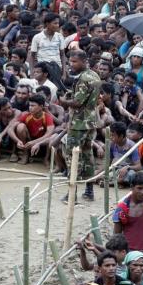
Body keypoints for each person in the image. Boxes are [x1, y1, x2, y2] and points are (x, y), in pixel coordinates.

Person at [59, 50, 101, 202]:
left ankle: (72, 194)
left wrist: (64, 102)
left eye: (74, 61)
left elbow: (77, 103)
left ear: (84, 61)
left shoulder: (83, 79)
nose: (71, 64)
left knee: (73, 156)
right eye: (70, 61)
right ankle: (89, 191)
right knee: (88, 155)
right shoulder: (94, 75)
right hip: (90, 121)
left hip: (79, 123)